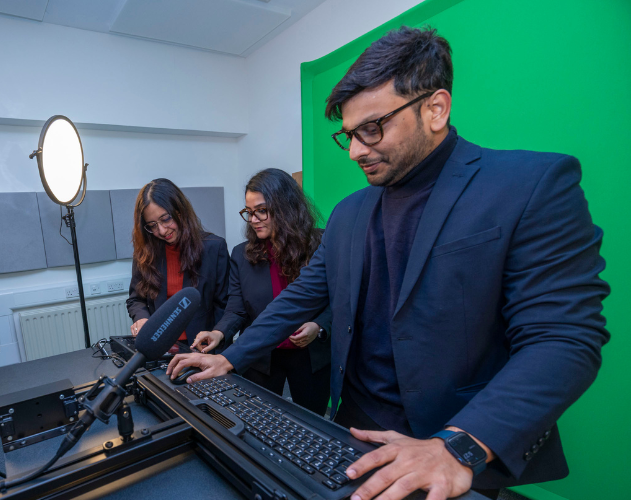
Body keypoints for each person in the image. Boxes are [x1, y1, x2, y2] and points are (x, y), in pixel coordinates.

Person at [167, 27, 609, 500]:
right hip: (352, 429)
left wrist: (458, 446)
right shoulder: (349, 213)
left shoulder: (530, 185)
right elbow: (300, 297)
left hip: (449, 439)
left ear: (435, 109)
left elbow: (563, 337)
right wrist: (230, 356)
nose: (356, 150)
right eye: (349, 135)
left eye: (372, 128)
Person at [192, 168, 332, 416]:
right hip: (262, 357)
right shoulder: (241, 254)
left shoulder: (321, 244)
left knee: (311, 422)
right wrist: (218, 332)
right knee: (260, 420)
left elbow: (339, 300)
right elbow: (236, 307)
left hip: (310, 357)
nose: (254, 219)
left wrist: (319, 326)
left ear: (286, 207)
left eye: (261, 211)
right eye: (249, 212)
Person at [126, 179, 230, 350]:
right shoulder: (145, 253)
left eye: (166, 219)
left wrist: (214, 342)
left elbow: (224, 306)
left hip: (203, 347)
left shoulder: (214, 247)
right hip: (161, 346)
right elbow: (136, 299)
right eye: (152, 225)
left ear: (180, 211)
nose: (161, 231)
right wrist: (142, 318)